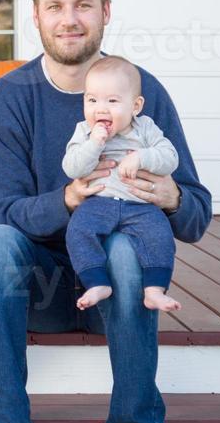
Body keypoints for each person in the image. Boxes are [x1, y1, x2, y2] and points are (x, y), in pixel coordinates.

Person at [0, 0, 212, 423]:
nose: (69, 18)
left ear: (106, 11)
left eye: (83, 5)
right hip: (40, 287)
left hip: (117, 290)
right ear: (36, 16)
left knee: (123, 249)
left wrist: (172, 196)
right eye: (55, 6)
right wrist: (69, 199)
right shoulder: (12, 97)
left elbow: (196, 216)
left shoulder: (143, 93)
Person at [63, 55, 181, 313]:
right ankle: (96, 282)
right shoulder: (84, 131)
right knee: (78, 230)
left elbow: (170, 158)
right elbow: (72, 167)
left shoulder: (146, 128)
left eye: (112, 101)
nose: (100, 109)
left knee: (160, 234)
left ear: (135, 106)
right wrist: (94, 143)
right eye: (92, 100)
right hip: (99, 203)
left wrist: (142, 157)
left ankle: (154, 290)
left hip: (140, 205)